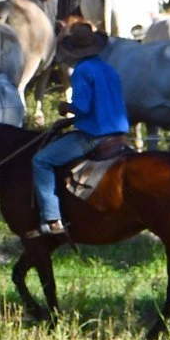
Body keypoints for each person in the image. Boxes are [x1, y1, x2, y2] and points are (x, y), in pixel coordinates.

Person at [30, 25, 132, 239]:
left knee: (42, 161)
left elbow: (83, 107)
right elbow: (102, 107)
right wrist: (70, 122)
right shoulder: (108, 69)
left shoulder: (82, 71)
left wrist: (64, 108)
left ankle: (52, 218)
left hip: (94, 136)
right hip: (119, 133)